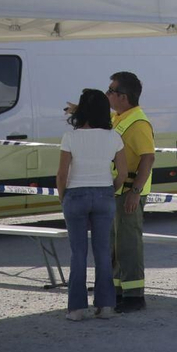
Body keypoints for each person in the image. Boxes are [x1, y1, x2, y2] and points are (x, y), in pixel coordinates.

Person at [58, 89, 127, 321]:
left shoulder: (70, 137)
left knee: (78, 253)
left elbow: (61, 173)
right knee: (102, 252)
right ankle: (106, 306)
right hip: (104, 194)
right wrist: (110, 190)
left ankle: (77, 309)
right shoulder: (114, 136)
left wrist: (63, 197)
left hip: (75, 194)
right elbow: (123, 173)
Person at [108, 71, 155, 312]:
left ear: (123, 97)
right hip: (119, 191)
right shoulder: (120, 117)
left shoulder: (137, 123)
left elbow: (148, 158)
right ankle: (119, 291)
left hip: (129, 193)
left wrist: (135, 192)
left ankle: (135, 297)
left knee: (128, 245)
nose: (108, 94)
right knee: (116, 245)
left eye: (111, 91)